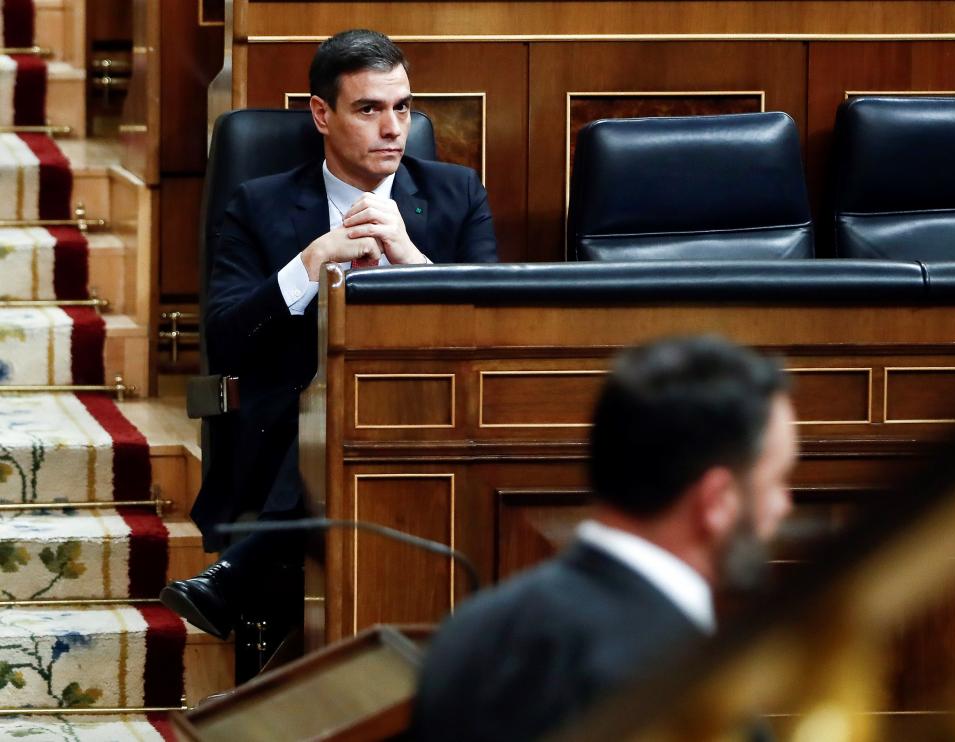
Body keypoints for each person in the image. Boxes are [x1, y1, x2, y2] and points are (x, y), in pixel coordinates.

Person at [160, 29, 498, 641]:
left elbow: (492, 326)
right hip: (286, 431)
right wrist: (311, 262)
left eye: (402, 107)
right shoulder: (258, 205)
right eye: (369, 109)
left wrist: (411, 260)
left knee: (363, 411)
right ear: (321, 113)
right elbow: (227, 340)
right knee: (332, 410)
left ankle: (239, 576)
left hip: (433, 423)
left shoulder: (456, 194)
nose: (392, 128)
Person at [413, 335, 796, 741]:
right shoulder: (700, 701)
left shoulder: (466, 636)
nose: (784, 506)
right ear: (716, 501)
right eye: (777, 482)